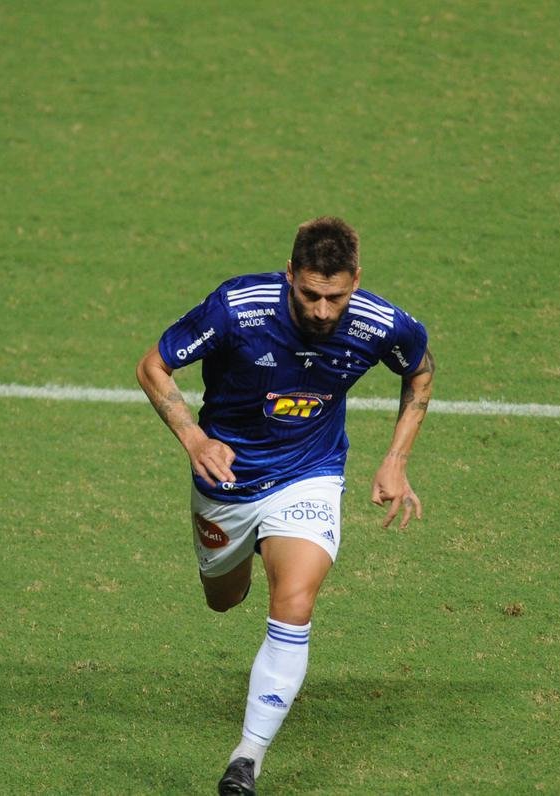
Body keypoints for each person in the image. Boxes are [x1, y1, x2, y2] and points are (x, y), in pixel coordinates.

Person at [135, 216, 434, 795]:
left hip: (308, 476)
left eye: (337, 296)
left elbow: (420, 374)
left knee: (294, 599)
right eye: (310, 295)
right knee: (223, 599)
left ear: (356, 281)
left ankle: (246, 759)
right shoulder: (237, 307)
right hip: (225, 481)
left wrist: (396, 458)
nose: (324, 311)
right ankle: (239, 564)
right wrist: (195, 439)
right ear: (290, 274)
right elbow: (153, 366)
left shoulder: (380, 323)